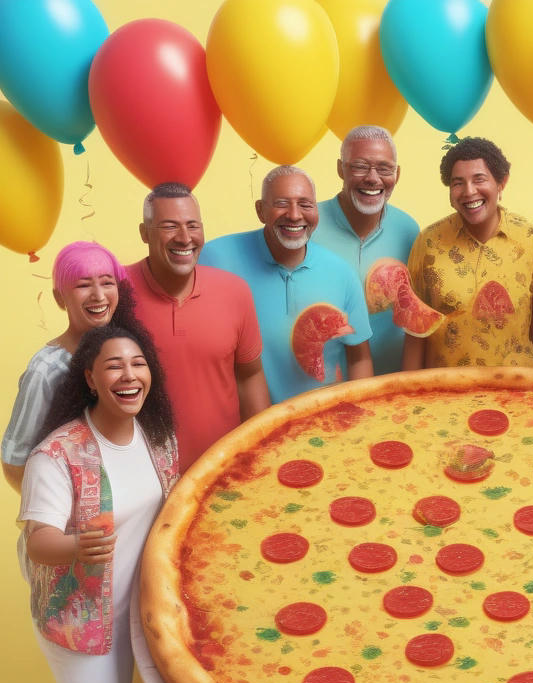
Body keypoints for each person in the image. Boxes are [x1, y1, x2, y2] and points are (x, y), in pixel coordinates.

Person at [20, 322, 179, 683]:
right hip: (76, 621)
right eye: (113, 366)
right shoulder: (56, 454)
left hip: (129, 614)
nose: (129, 375)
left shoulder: (155, 435)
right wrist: (78, 545)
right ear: (89, 377)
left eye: (137, 363)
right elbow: (39, 540)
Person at [201, 165, 373, 403]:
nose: (294, 215)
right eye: (281, 203)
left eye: (305, 204)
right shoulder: (214, 258)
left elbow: (360, 358)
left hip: (328, 421)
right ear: (260, 210)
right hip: (249, 424)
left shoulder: (342, 272)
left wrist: (360, 416)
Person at [128, 182, 269, 470]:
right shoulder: (117, 292)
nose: (184, 238)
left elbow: (250, 377)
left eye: (193, 226)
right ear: (144, 233)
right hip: (142, 476)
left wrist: (261, 449)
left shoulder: (234, 291)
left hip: (223, 469)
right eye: (169, 226)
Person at [401, 137, 533, 370]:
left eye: (479, 179)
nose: (469, 191)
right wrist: (410, 395)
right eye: (458, 183)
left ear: (501, 182)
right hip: (445, 393)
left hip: (516, 392)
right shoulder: (428, 242)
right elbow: (416, 330)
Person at [3, 242, 140, 492]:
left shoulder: (129, 351)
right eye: (83, 285)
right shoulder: (47, 369)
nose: (98, 295)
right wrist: (53, 517)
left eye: (107, 282)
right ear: (59, 297)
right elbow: (14, 462)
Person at [315, 125, 419, 375]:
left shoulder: (409, 230)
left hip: (392, 384)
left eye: (385, 169)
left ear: (398, 174)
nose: (373, 178)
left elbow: (415, 314)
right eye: (360, 166)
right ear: (341, 168)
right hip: (324, 388)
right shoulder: (309, 226)